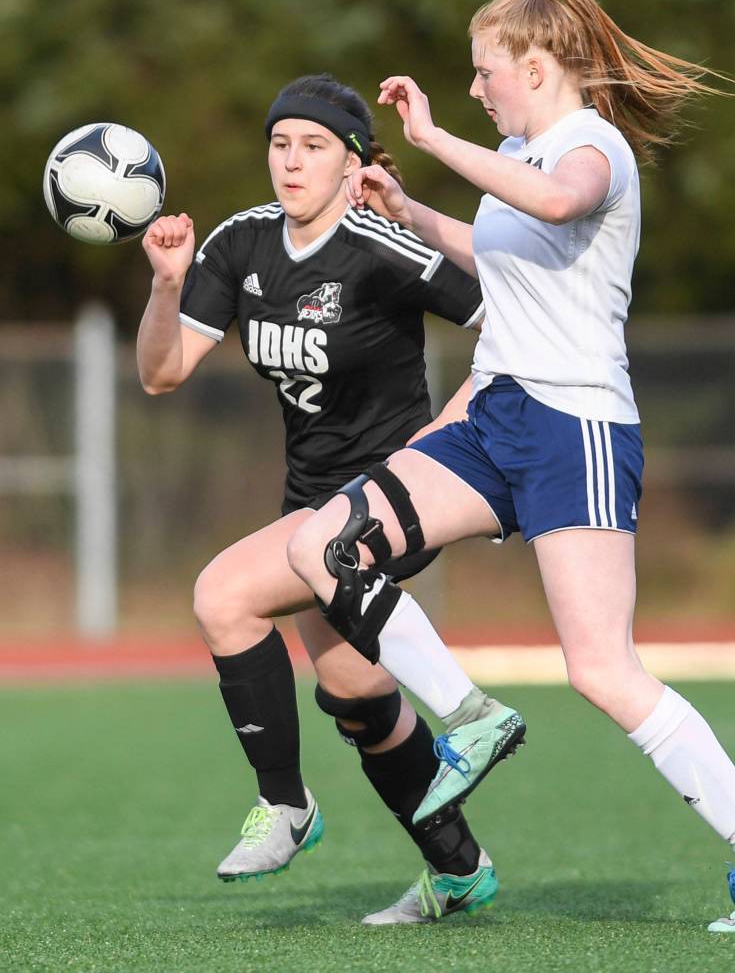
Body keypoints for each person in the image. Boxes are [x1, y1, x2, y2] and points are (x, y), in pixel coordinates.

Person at [285, 0, 735, 933]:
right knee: (326, 545)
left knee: (602, 670)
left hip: (575, 428)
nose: (477, 90)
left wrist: (438, 142)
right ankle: (471, 716)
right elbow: (503, 252)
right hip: (496, 412)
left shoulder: (590, 146)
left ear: (535, 65)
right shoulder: (520, 151)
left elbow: (562, 205)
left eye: (487, 72)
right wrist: (409, 211)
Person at [136, 73, 517, 924]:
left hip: (390, 494)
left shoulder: (386, 245)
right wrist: (166, 284)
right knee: (354, 694)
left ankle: (286, 804)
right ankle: (458, 869)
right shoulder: (240, 245)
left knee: (223, 596)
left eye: (313, 146)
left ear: (353, 163)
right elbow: (160, 373)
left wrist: (443, 439)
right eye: (280, 144)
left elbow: (513, 331)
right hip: (309, 498)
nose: (291, 161)